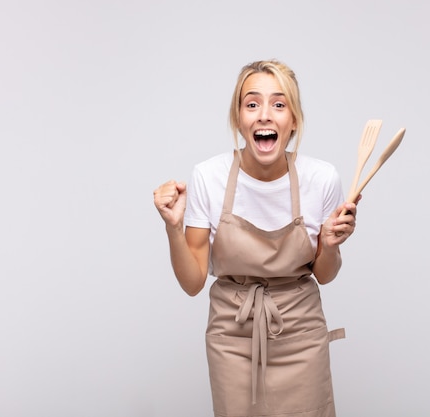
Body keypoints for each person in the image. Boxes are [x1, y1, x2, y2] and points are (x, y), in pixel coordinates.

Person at [153, 59, 358, 417]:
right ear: (238, 118)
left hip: (299, 334)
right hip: (231, 335)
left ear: (293, 121)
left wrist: (330, 242)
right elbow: (192, 282)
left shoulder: (322, 178)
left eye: (279, 104)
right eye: (252, 104)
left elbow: (324, 274)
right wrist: (174, 227)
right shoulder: (208, 177)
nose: (265, 115)